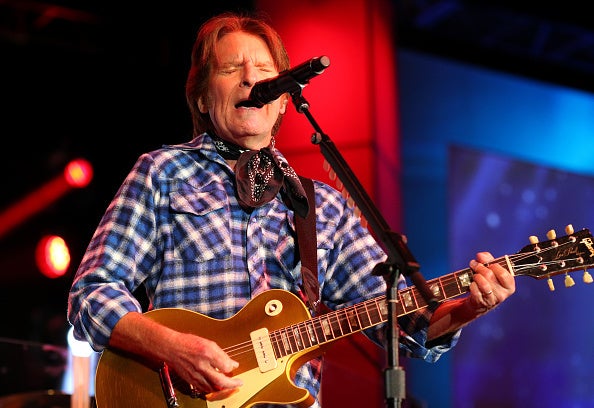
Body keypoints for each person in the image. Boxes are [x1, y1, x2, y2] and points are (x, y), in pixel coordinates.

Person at [67, 11, 515, 408]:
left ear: (283, 99)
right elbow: (92, 292)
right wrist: (174, 347)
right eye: (230, 69)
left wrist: (469, 307)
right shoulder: (163, 172)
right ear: (203, 99)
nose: (250, 79)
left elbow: (404, 323)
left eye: (264, 70)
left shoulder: (323, 208)